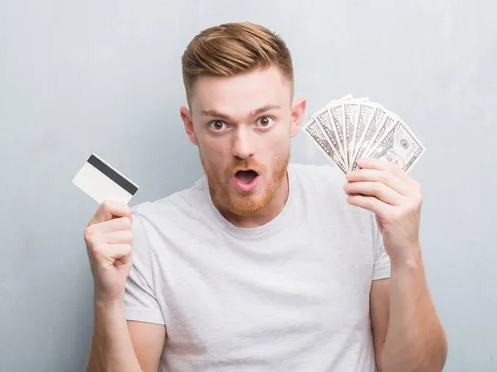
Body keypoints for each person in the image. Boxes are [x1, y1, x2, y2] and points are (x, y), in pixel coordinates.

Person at [83, 22, 448, 372]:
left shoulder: (359, 204)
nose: (243, 148)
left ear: (294, 118)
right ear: (190, 126)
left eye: (263, 121)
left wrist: (408, 254)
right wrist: (108, 299)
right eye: (219, 124)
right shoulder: (148, 236)